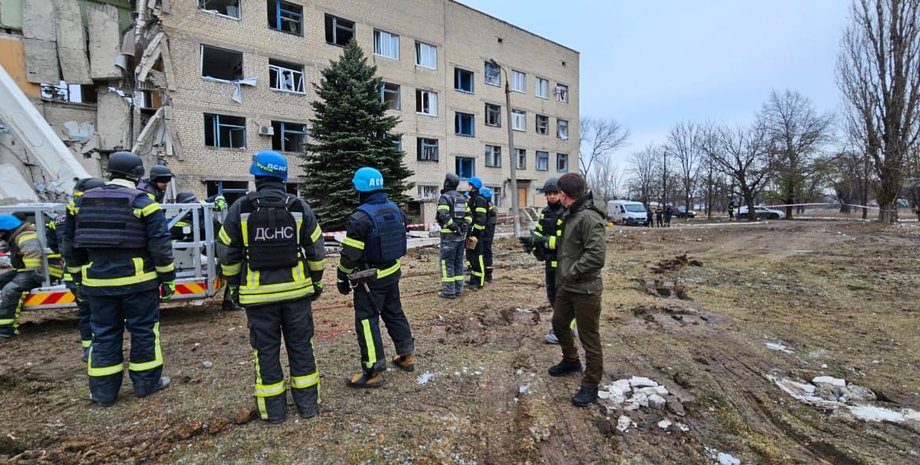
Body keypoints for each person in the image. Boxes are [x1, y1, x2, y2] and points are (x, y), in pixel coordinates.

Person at [217, 150, 326, 423]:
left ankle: (274, 413)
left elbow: (226, 254)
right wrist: (316, 282)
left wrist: (234, 288)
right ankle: (308, 407)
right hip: (297, 295)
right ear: (284, 177)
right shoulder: (299, 207)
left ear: (256, 176)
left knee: (265, 351)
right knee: (301, 347)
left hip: (257, 297)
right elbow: (316, 251)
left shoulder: (239, 208)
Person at [66, 151, 174, 406]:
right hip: (138, 281)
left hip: (97, 282)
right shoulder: (144, 203)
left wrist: (76, 278)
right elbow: (160, 245)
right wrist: (167, 278)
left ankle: (103, 392)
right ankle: (146, 384)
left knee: (103, 333)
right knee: (144, 331)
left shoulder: (81, 203)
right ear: (137, 174)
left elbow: (70, 245)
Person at [336, 167, 415, 388]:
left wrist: (342, 276)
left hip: (370, 280)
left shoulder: (360, 217)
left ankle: (372, 372)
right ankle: (406, 356)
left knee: (367, 321)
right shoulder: (396, 210)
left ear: (360, 188)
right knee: (394, 313)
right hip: (392, 273)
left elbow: (350, 256)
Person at [546, 173, 607, 407]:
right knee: (559, 324)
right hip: (567, 287)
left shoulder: (589, 218)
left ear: (563, 194)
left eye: (557, 193)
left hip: (586, 291)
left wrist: (570, 272)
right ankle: (571, 360)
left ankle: (591, 384)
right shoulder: (571, 215)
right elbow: (567, 248)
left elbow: (596, 256)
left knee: (589, 337)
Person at [55, 177, 106, 361]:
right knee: (101, 315)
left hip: (72, 272)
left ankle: (89, 350)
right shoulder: (94, 214)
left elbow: (59, 246)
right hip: (94, 272)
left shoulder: (62, 216)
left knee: (85, 312)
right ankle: (101, 350)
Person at [531, 178, 573, 345]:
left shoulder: (567, 213)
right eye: (548, 194)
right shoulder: (546, 212)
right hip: (550, 261)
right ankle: (566, 325)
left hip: (563, 262)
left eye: (554, 193)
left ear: (561, 194)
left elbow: (565, 240)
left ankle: (562, 331)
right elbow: (540, 230)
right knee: (552, 295)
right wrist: (534, 241)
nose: (552, 197)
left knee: (560, 297)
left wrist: (545, 242)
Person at [0, 215, 45, 341]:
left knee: (10, 290)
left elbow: (33, 256)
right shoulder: (15, 236)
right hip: (24, 270)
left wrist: (31, 275)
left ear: (8, 230)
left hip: (38, 272)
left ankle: (4, 331)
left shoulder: (26, 235)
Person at [435, 173, 470, 299]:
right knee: (458, 262)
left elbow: (443, 214)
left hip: (449, 237)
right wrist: (463, 227)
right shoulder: (462, 198)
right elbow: (468, 216)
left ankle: (449, 291)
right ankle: (458, 288)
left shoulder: (445, 197)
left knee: (446, 263)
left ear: (447, 183)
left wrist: (454, 227)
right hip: (461, 237)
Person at [465, 177, 489, 289]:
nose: (467, 187)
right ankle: (473, 280)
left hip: (478, 235)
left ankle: (479, 282)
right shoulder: (473, 199)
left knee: (478, 258)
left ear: (473, 187)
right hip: (473, 234)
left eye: (469, 185)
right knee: (472, 258)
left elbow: (481, 219)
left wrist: (475, 232)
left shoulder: (479, 200)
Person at [480, 187, 497, 283]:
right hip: (489, 234)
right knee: (487, 253)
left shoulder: (487, 206)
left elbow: (486, 221)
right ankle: (488, 274)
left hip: (486, 234)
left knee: (485, 254)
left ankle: (487, 274)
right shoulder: (491, 206)